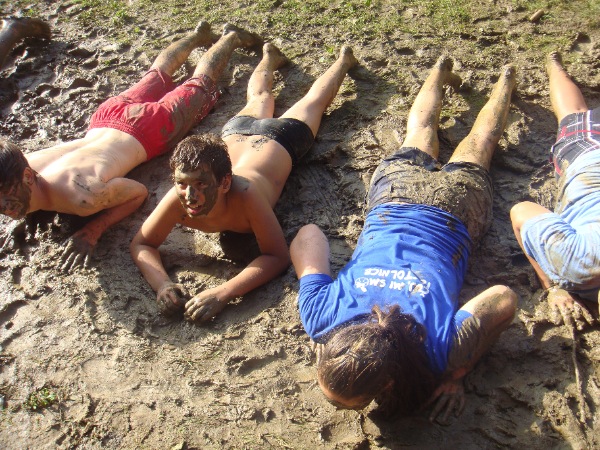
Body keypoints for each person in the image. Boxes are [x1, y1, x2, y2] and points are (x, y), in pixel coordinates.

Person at [289, 56, 518, 422]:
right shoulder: (321, 317)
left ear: (387, 384)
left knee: (481, 143)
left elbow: (503, 297)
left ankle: (506, 79)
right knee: (420, 131)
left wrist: (459, 370)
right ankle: (443, 70)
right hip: (394, 199)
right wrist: (317, 313)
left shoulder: (439, 352)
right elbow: (309, 234)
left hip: (455, 215)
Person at [0, 21, 262, 270]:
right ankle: (198, 35)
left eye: (6, 196)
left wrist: (94, 229)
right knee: (157, 74)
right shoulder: (21, 161)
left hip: (148, 130)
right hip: (106, 117)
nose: (3, 206)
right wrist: (28, 209)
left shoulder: (83, 197)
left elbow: (138, 193)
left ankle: (231, 36)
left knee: (200, 85)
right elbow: (33, 189)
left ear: (27, 177)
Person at [130, 45, 358, 321]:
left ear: (225, 183)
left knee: (314, 101)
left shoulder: (246, 195)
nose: (189, 195)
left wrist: (223, 292)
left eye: (201, 185)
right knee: (260, 96)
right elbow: (142, 244)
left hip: (281, 138)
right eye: (182, 183)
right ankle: (269, 56)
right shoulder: (178, 198)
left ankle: (344, 60)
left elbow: (277, 257)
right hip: (235, 133)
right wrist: (162, 285)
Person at [511, 52, 600, 330]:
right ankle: (553, 65)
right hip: (588, 153)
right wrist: (552, 286)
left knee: (575, 112)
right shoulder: (577, 264)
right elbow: (520, 211)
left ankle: (554, 65)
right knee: (572, 113)